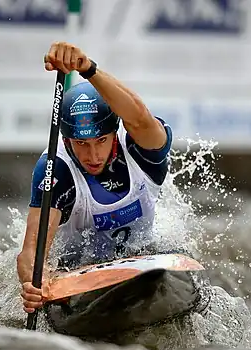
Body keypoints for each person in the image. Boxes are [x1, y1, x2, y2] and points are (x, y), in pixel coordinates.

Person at [17, 41, 172, 314]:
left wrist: (87, 69)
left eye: (101, 140)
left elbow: (139, 115)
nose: (93, 155)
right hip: (78, 271)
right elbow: (31, 251)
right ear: (67, 139)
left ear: (115, 132)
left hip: (143, 256)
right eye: (81, 143)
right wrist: (34, 282)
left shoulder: (142, 149)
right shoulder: (56, 168)